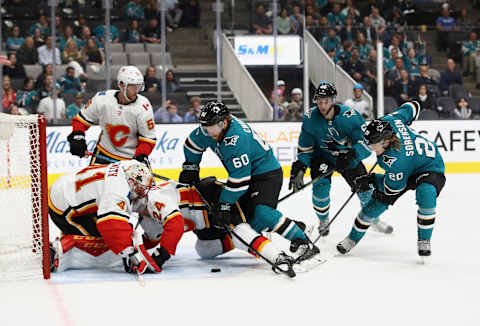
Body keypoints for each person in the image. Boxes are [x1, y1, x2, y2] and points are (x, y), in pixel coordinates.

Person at [179, 101, 319, 260]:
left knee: (262, 213)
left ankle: (303, 242)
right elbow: (192, 144)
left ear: (223, 122)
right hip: (245, 175)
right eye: (205, 127)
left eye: (211, 127)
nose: (208, 132)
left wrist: (224, 204)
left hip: (266, 175)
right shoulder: (210, 129)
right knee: (249, 223)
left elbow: (240, 181)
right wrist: (191, 165)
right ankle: (297, 226)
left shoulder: (237, 139)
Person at [337, 101, 446, 258]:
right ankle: (351, 239)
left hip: (429, 167)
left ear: (385, 140)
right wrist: (352, 155)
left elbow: (391, 188)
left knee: (426, 193)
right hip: (406, 166)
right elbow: (413, 105)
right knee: (372, 207)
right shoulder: (389, 120)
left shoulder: (395, 160)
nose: (370, 146)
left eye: (372, 144)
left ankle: (424, 240)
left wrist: (371, 180)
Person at [132, 177, 298, 276]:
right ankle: (250, 233)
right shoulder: (146, 219)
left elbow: (175, 225)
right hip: (204, 224)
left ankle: (279, 257)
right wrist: (131, 256)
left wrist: (162, 256)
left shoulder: (154, 197)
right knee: (204, 250)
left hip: (212, 200)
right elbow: (149, 242)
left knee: (240, 233)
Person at [289, 81, 393, 237]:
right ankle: (323, 220)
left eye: (326, 101)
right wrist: (300, 166)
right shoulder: (310, 118)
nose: (322, 106)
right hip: (322, 158)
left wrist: (353, 154)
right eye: (320, 101)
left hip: (348, 158)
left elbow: (366, 142)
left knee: (365, 189)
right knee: (320, 188)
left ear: (332, 100)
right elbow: (305, 147)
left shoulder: (350, 117)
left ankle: (374, 219)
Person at [48, 161, 167, 275]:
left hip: (63, 185)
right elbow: (111, 228)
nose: (143, 193)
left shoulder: (129, 166)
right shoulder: (115, 193)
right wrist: (132, 254)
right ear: (131, 182)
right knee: (105, 243)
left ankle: (72, 233)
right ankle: (59, 249)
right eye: (140, 189)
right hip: (61, 208)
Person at [67, 66, 156, 165]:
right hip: (103, 154)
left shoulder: (144, 106)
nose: (137, 90)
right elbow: (81, 120)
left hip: (131, 159)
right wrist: (78, 136)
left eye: (139, 86)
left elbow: (148, 138)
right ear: (122, 85)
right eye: (133, 86)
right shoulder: (102, 99)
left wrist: (141, 155)